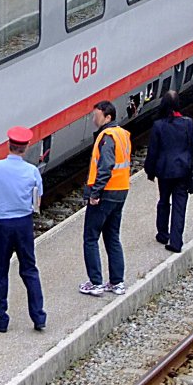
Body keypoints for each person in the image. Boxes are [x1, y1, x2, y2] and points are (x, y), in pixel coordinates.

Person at [0, 126, 46, 333]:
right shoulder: (32, 171)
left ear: (8, 145)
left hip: (0, 226)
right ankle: (38, 317)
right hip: (23, 224)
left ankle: (1, 320)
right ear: (26, 147)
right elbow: (37, 201)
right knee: (29, 269)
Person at [80, 100, 132, 297]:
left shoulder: (107, 136)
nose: (94, 118)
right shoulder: (122, 134)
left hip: (106, 194)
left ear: (107, 116)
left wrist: (95, 193)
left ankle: (96, 283)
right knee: (112, 237)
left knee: (90, 238)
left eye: (97, 115)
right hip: (121, 190)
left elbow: (105, 166)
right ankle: (117, 282)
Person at [143, 89, 193, 254]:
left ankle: (162, 233)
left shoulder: (158, 126)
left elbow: (153, 152)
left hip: (164, 171)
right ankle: (176, 241)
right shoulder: (188, 123)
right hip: (183, 171)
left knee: (163, 201)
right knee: (179, 205)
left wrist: (150, 171)